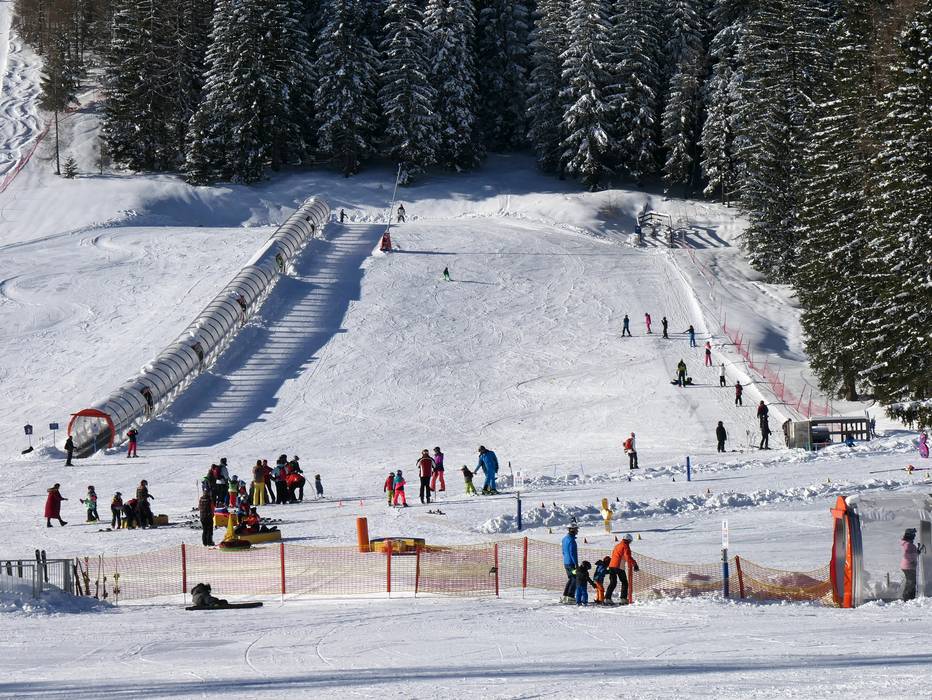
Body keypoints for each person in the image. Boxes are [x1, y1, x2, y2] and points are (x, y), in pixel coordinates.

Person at [605, 533, 639, 605]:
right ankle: (623, 599)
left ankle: (607, 598)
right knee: (624, 582)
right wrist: (634, 564)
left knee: (613, 583)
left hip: (611, 565)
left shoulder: (618, 545)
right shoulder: (625, 546)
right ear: (629, 540)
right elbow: (627, 557)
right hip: (619, 566)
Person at [901, 528, 922, 601]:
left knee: (911, 582)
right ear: (909, 535)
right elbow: (907, 555)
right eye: (913, 535)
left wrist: (916, 552)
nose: (914, 536)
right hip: (908, 566)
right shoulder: (908, 544)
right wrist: (912, 560)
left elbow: (911, 553)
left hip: (908, 566)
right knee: (911, 582)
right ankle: (907, 598)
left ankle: (910, 598)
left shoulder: (907, 543)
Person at [561, 523, 579, 603]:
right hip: (571, 563)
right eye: (576, 529)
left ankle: (565, 595)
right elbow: (572, 553)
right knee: (575, 579)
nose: (577, 531)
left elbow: (563, 551)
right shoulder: (572, 541)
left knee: (571, 578)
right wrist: (576, 564)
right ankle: (570, 596)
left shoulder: (564, 539)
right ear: (572, 529)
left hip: (566, 562)